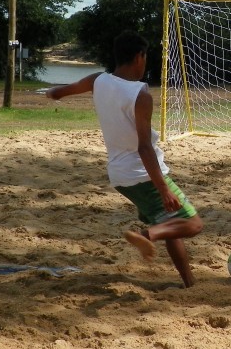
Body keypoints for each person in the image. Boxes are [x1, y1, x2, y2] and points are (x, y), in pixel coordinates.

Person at [45, 30, 203, 287]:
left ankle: (189, 283)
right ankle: (147, 235)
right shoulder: (140, 96)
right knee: (192, 224)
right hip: (144, 175)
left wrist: (53, 93)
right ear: (139, 56)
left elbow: (64, 91)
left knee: (169, 223)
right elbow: (144, 148)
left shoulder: (98, 80)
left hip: (119, 176)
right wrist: (163, 188)